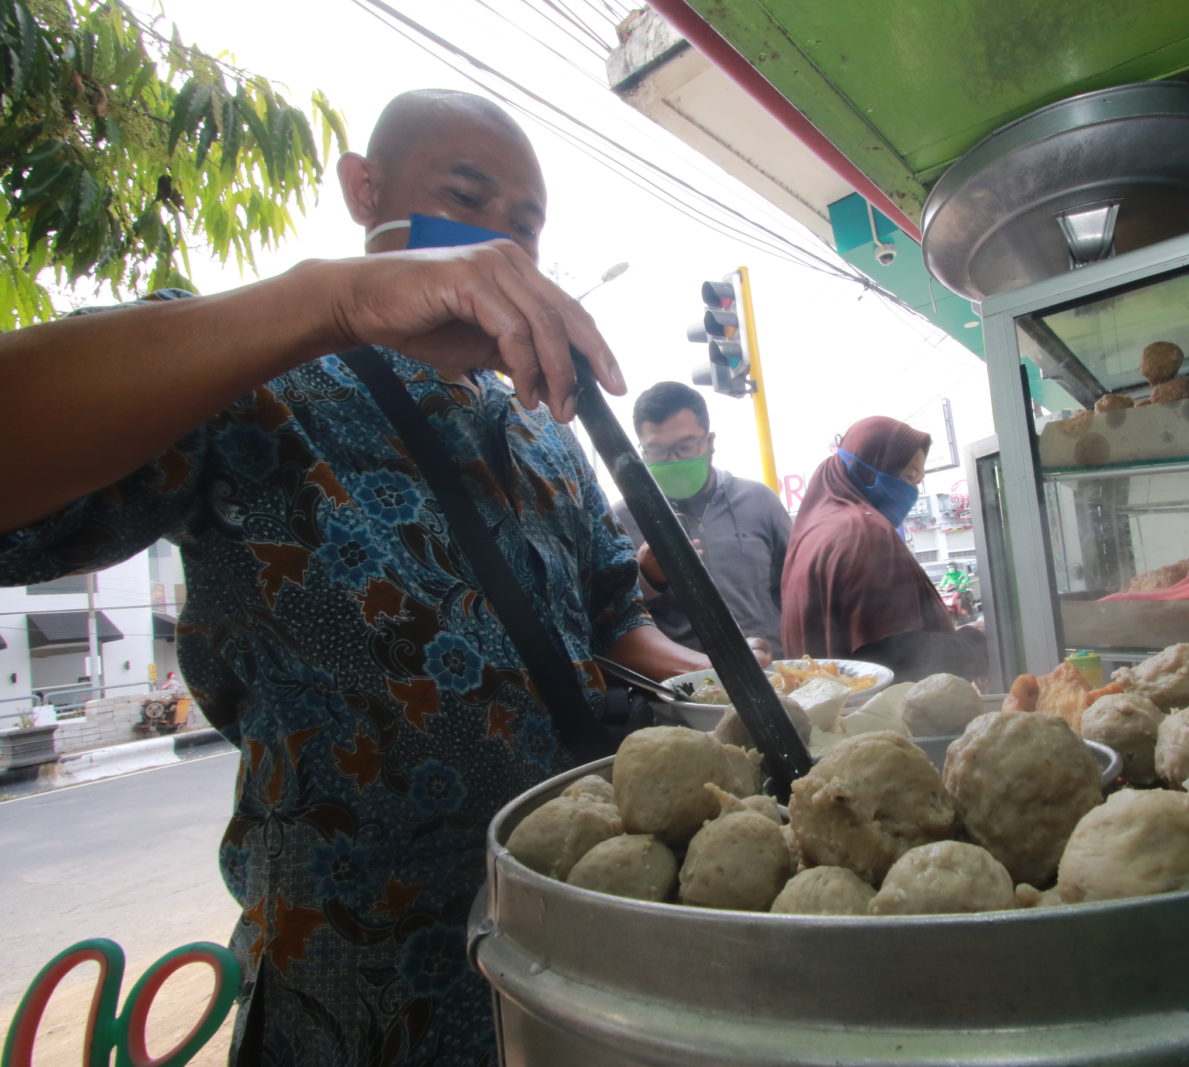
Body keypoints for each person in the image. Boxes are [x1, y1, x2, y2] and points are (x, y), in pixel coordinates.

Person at [0, 89, 708, 1065]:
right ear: (363, 189)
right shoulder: (256, 382)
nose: (497, 241)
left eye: (524, 227)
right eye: (467, 198)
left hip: (580, 957)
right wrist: (328, 301)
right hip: (359, 995)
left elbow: (611, 625)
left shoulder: (545, 433)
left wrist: (734, 684)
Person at [781, 416, 986, 682]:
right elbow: (896, 659)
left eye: (918, 480)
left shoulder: (813, 531)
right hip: (874, 716)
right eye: (907, 477)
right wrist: (977, 641)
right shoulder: (863, 533)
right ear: (867, 472)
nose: (910, 491)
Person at [613, 382, 791, 657]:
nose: (672, 460)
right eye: (657, 451)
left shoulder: (759, 501)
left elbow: (793, 590)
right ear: (641, 451)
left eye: (685, 447)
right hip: (682, 691)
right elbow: (610, 615)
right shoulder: (622, 519)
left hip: (773, 676)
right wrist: (646, 577)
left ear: (709, 443)